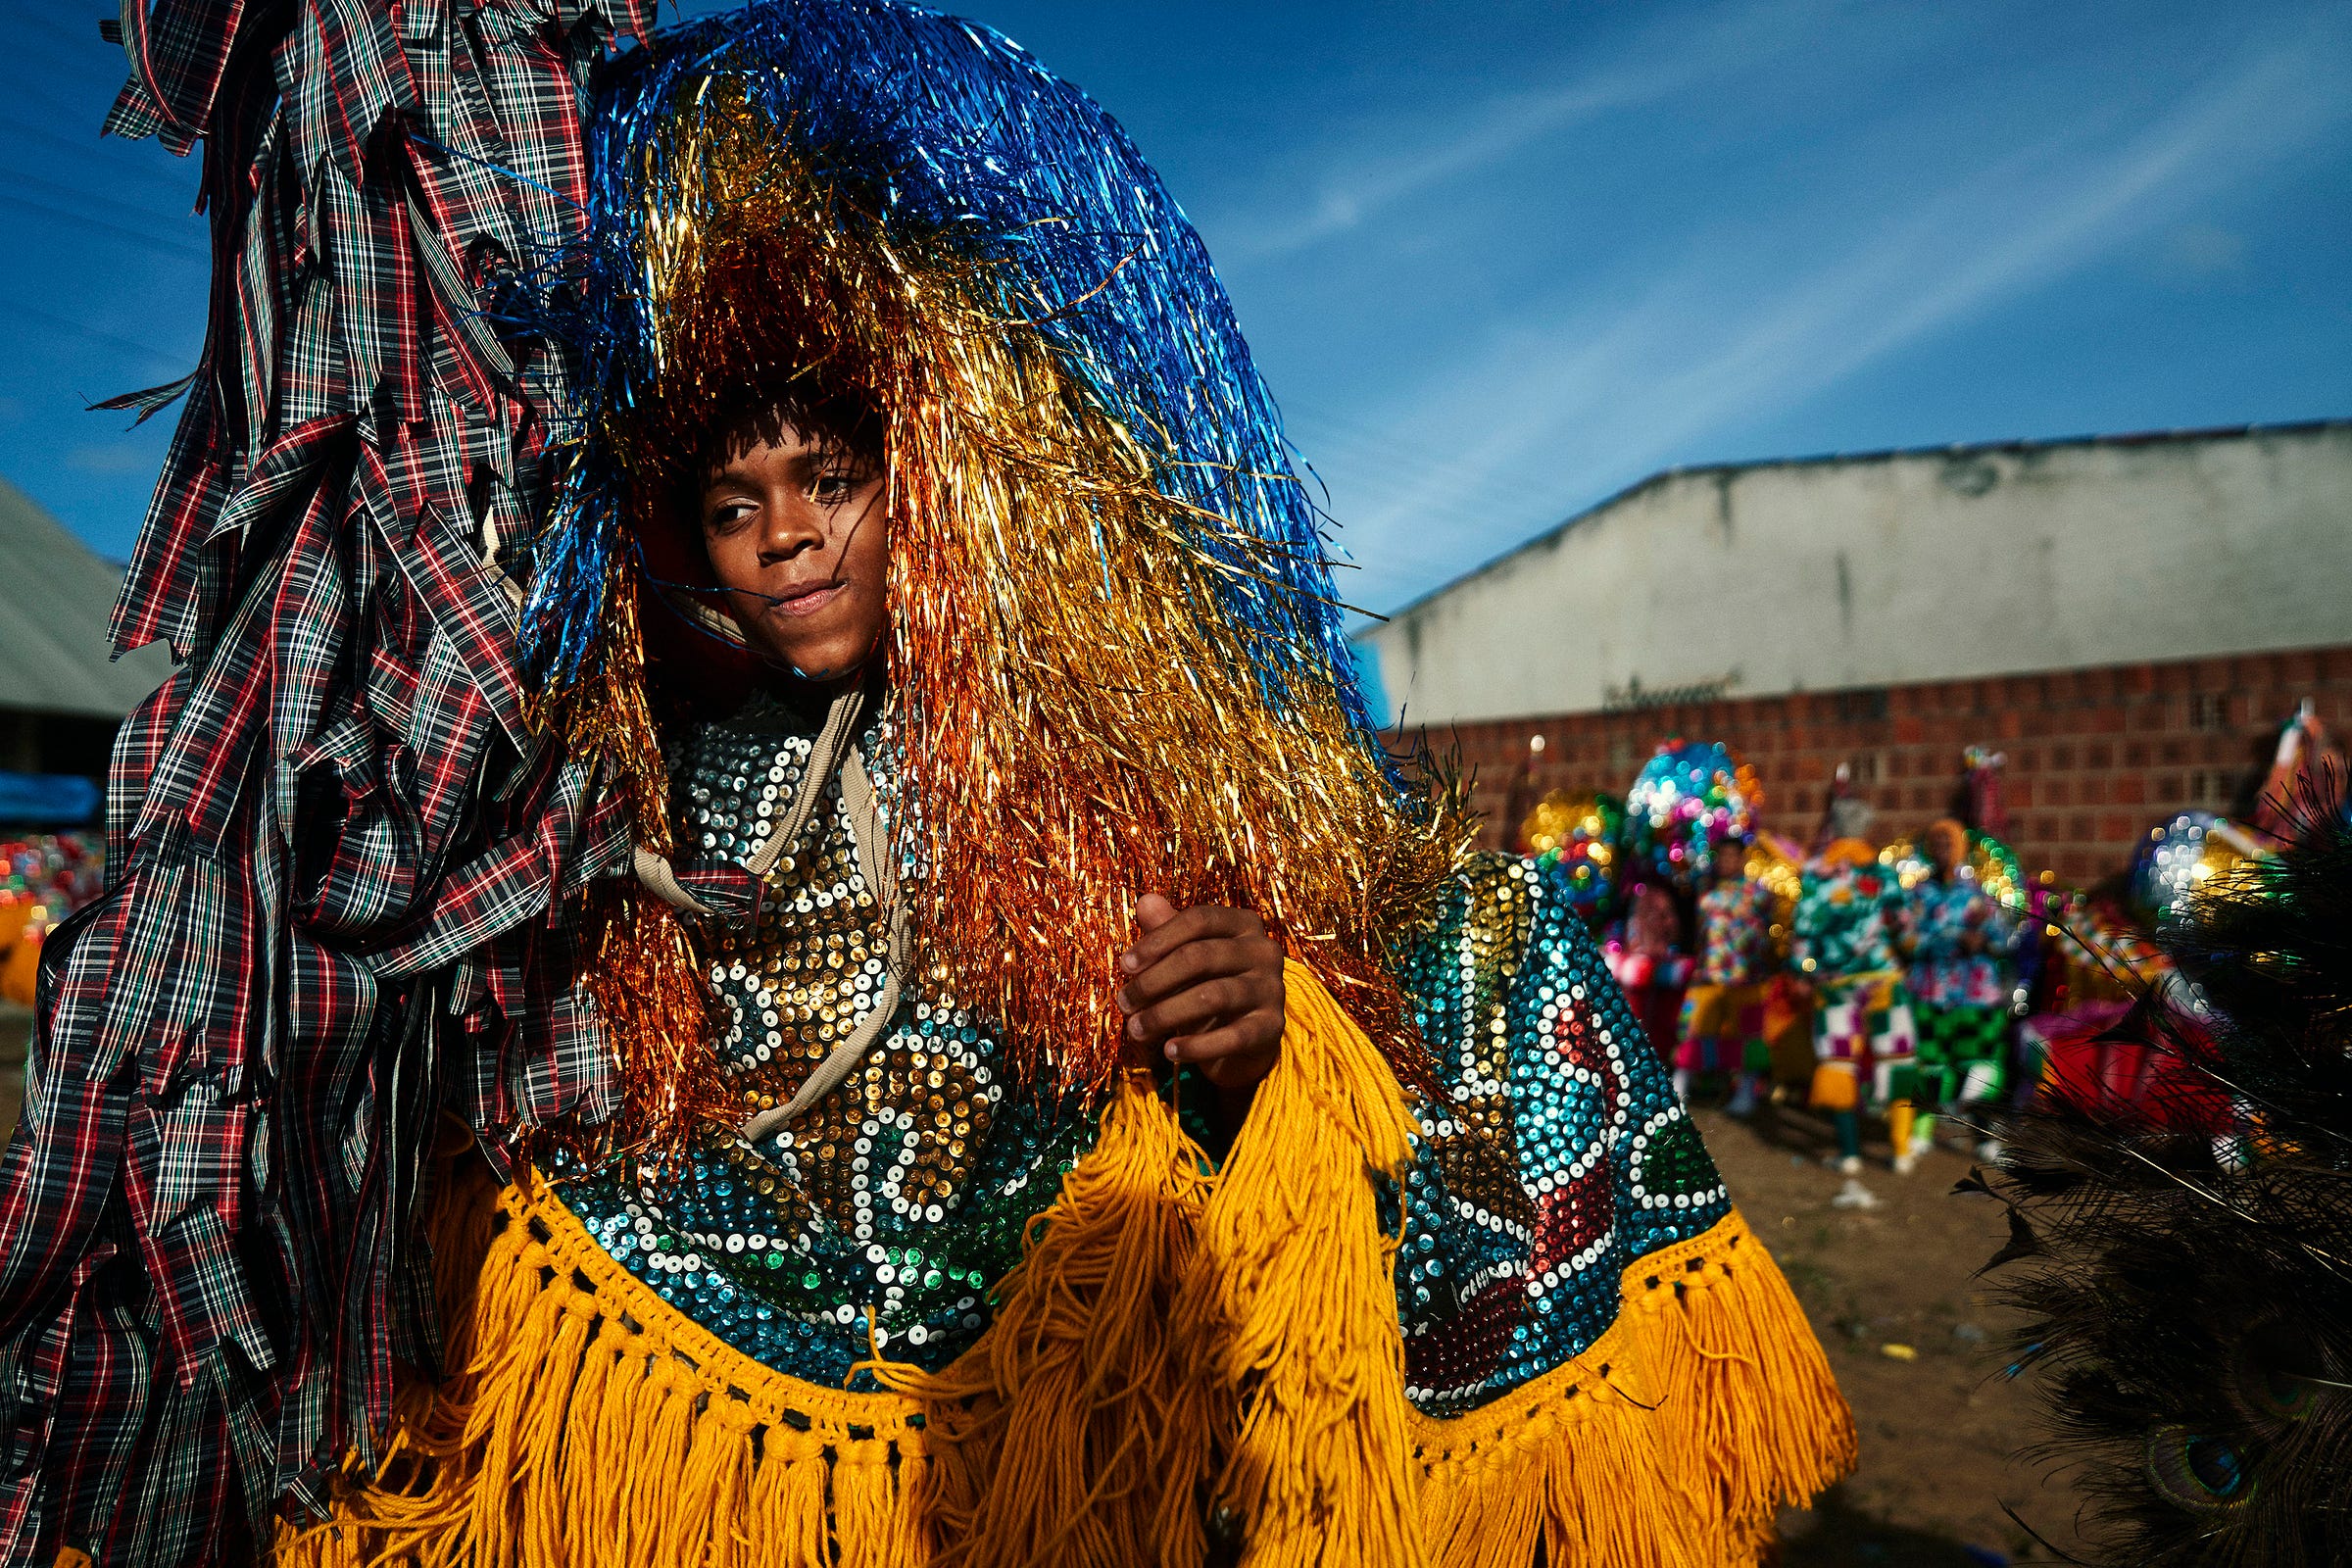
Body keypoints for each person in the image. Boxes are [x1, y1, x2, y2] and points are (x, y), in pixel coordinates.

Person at [8, 4, 1851, 1562]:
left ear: (945, 487)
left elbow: (1394, 1001)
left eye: (832, 482)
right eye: (732, 509)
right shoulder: (619, 810)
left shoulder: (1141, 768)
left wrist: (1268, 1043)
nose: (787, 541)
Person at [1791, 840, 1920, 1177]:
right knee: (1896, 1059)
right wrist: (1906, 955)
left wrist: (1802, 970)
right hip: (1883, 979)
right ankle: (1901, 1150)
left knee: (1838, 1064)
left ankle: (1850, 1154)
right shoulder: (1881, 873)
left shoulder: (1815, 876)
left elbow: (1804, 931)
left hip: (1836, 982)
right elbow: (1904, 924)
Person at [1899, 819, 2017, 1162]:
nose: (1943, 850)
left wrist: (1982, 939)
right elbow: (1908, 940)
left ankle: (1984, 1136)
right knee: (1929, 1064)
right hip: (1931, 989)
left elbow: (2004, 937)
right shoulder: (1918, 895)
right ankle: (1922, 1129)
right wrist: (1950, 939)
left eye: (1949, 843)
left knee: (1981, 1064)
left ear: (1961, 848)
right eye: (1936, 844)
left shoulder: (1977, 893)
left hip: (1975, 993)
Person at [1676, 856, 1775, 1114]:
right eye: (1724, 856)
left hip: (1745, 978)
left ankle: (1745, 1091)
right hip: (1709, 973)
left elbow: (1763, 932)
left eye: (1733, 856)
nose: (1727, 863)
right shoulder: (1707, 889)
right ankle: (1682, 1084)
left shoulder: (1756, 893)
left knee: (1746, 1035)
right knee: (1695, 1027)